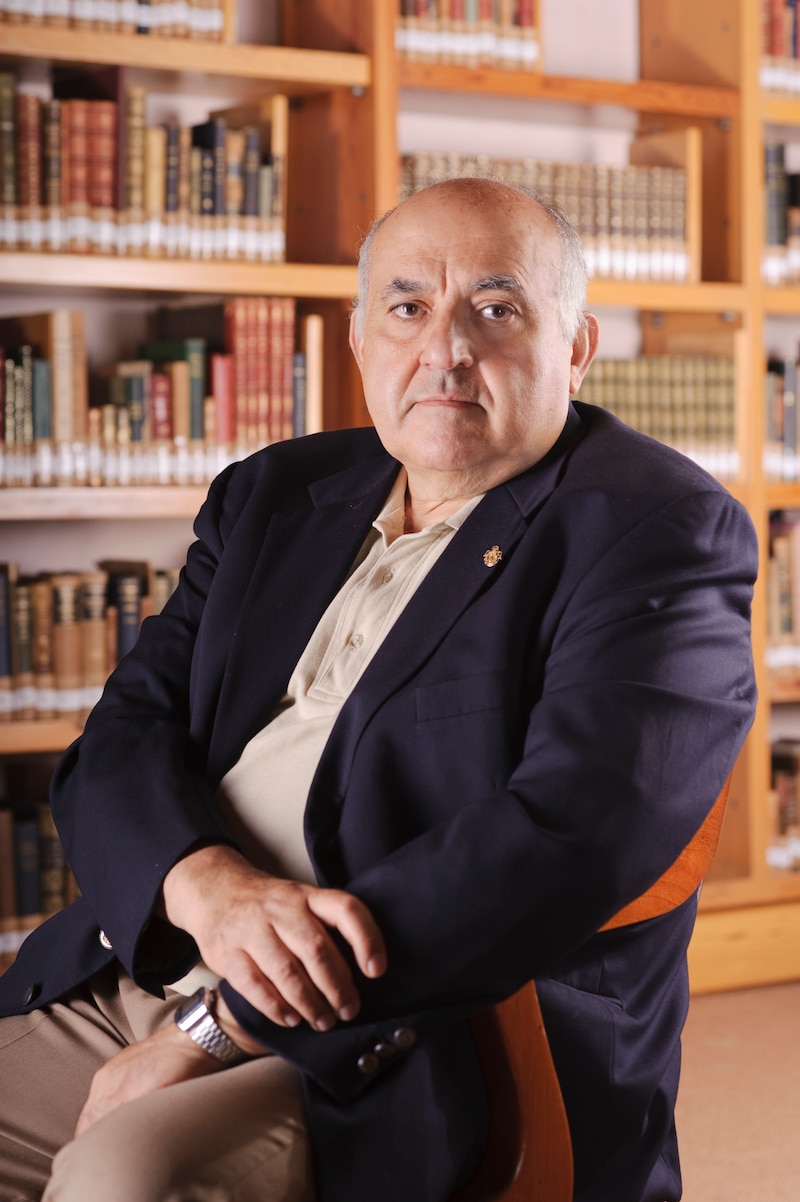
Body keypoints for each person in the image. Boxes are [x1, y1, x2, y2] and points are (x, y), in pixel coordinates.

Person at [0, 177, 757, 1202]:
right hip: (146, 953)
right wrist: (202, 883)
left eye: (495, 308)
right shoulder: (270, 494)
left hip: (390, 1039)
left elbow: (565, 836)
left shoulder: (653, 530)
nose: (443, 346)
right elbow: (122, 738)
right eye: (407, 307)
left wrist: (217, 1022)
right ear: (358, 342)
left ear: (572, 348)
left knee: (124, 1176)